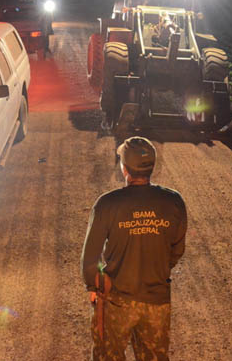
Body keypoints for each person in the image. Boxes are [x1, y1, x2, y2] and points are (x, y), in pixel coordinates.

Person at [81, 136, 188, 361]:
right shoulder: (173, 201)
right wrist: (156, 268)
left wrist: (96, 283)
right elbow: (176, 249)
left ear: (124, 169)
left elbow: (89, 259)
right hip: (157, 301)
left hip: (116, 301)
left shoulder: (107, 204)